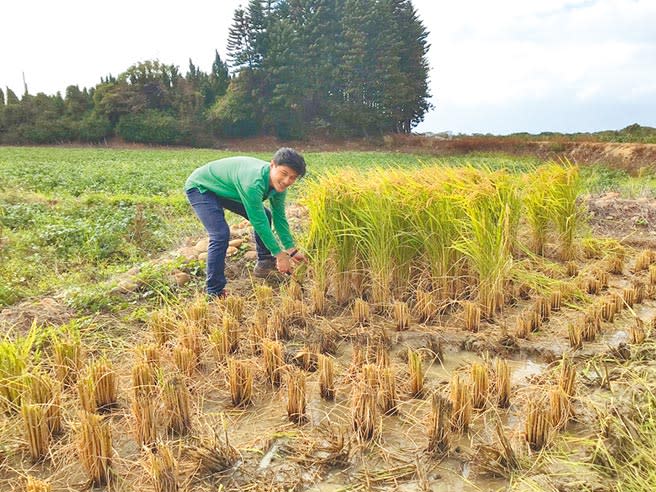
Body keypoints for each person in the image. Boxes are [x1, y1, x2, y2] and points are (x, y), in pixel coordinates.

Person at [184, 147, 307, 298]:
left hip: (227, 188)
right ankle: (214, 291)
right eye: (284, 173)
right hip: (201, 187)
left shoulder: (279, 186)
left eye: (293, 177)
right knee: (220, 234)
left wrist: (291, 249)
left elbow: (279, 218)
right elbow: (258, 222)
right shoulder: (253, 183)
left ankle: (264, 264)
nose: (287, 181)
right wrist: (279, 255)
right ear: (272, 165)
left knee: (267, 215)